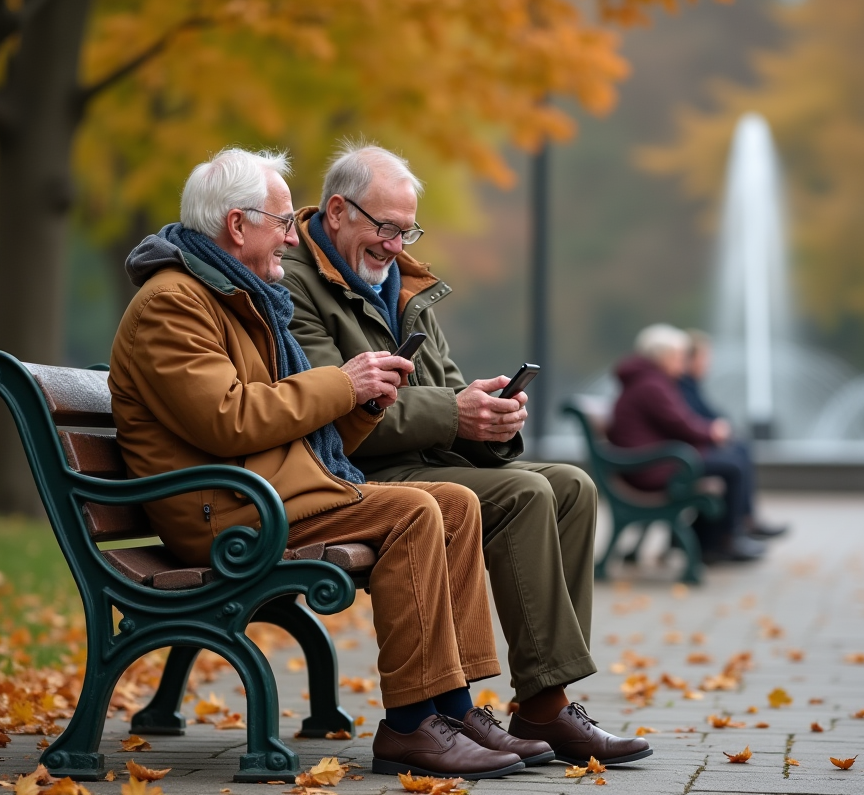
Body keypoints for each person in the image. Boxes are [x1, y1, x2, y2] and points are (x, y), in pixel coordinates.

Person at [108, 147, 530, 779]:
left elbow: (274, 414)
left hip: (267, 489)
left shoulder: (238, 295)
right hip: (224, 511)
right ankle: (413, 725)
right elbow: (229, 420)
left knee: (454, 500)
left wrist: (364, 400)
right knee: (414, 510)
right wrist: (344, 384)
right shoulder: (174, 304)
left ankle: (455, 706)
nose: (288, 235)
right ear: (236, 225)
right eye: (281, 221)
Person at [281, 143, 651, 766]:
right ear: (339, 211)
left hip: (420, 459)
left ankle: (542, 702)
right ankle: (535, 709)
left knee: (571, 487)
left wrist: (491, 419)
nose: (396, 244)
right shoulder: (296, 284)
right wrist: (456, 413)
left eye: (406, 229)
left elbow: (446, 385)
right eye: (385, 227)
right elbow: (336, 406)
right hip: (355, 469)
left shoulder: (402, 282)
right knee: (525, 493)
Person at [607, 324, 768, 562]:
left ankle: (715, 539)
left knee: (730, 461)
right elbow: (680, 424)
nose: (683, 363)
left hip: (654, 462)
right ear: (662, 357)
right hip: (650, 468)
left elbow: (677, 423)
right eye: (678, 357)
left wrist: (708, 433)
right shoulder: (652, 384)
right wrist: (711, 433)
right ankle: (724, 540)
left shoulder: (650, 380)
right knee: (731, 467)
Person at [677, 330, 785, 540]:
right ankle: (731, 533)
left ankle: (743, 522)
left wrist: (721, 426)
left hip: (683, 454)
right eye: (704, 358)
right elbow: (688, 421)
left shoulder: (688, 385)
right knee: (734, 461)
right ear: (689, 359)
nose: (708, 363)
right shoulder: (680, 386)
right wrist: (714, 430)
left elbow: (708, 413)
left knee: (740, 448)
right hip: (677, 459)